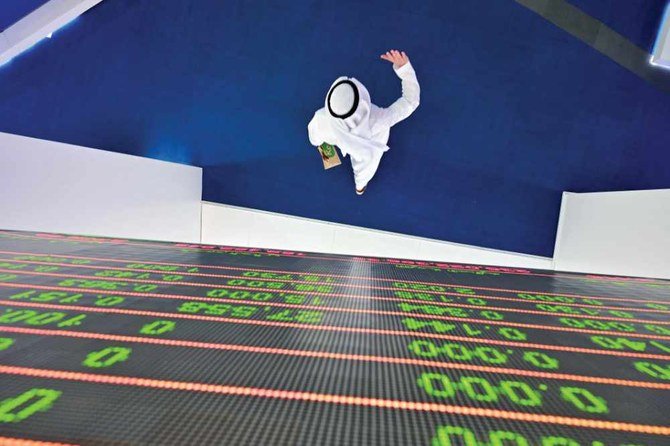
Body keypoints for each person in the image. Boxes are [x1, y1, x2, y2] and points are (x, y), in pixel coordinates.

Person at [307, 50, 420, 195]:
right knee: (364, 170)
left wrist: (321, 145)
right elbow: (410, 101)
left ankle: (330, 156)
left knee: (318, 136)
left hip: (331, 135)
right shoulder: (378, 119)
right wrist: (404, 68)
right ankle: (360, 187)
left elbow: (314, 135)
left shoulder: (322, 118)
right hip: (368, 147)